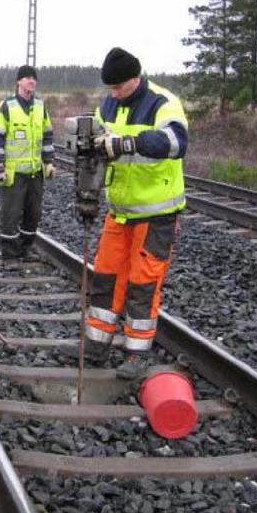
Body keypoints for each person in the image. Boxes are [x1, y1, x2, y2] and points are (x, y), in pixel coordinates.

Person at [84, 47, 188, 380]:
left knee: (143, 283)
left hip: (156, 213)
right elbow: (97, 140)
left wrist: (128, 143)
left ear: (135, 78)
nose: (113, 93)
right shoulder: (109, 103)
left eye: (118, 87)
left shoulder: (162, 103)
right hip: (120, 211)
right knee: (106, 275)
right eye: (109, 88)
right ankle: (96, 345)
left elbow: (175, 142)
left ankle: (136, 355)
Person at [0, 65, 55, 265]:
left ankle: (26, 249)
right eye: (26, 78)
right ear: (18, 82)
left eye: (33, 78)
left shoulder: (41, 107)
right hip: (13, 173)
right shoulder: (7, 107)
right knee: (11, 215)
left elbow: (48, 136)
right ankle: (9, 255)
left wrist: (49, 162)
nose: (31, 81)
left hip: (35, 172)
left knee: (33, 214)